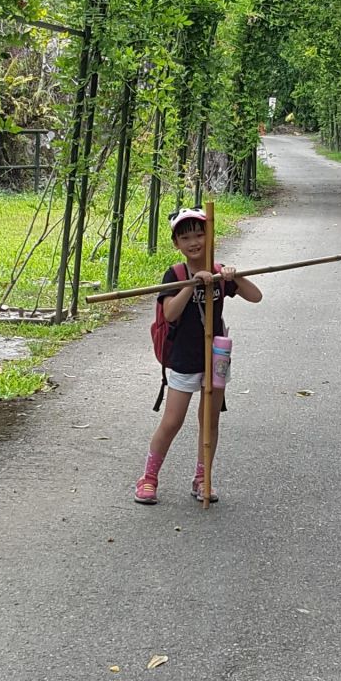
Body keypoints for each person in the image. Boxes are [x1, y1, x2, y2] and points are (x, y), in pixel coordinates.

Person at [135, 207, 262, 505]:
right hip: (183, 359)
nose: (194, 242)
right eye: (185, 237)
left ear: (210, 236)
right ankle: (148, 478)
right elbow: (170, 313)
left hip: (216, 357)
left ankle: (202, 478)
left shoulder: (220, 273)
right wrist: (192, 285)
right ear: (176, 243)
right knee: (172, 421)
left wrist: (233, 276)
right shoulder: (176, 274)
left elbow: (256, 296)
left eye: (199, 234)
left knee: (210, 421)